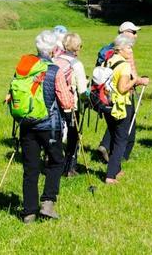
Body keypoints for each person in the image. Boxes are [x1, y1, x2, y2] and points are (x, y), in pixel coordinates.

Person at [20, 30, 74, 224]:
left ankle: (29, 211)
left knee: (30, 168)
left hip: (27, 124)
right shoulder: (55, 70)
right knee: (57, 161)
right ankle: (48, 202)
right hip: (49, 126)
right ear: (53, 50)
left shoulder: (24, 67)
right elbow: (66, 102)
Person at [103, 34, 149, 184]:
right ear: (120, 48)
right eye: (128, 47)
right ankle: (110, 175)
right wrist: (135, 80)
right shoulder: (124, 65)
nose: (131, 50)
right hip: (121, 105)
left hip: (107, 103)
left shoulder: (107, 61)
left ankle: (116, 169)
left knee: (113, 134)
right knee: (121, 139)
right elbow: (123, 88)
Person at [97, 21, 145, 162]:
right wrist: (139, 81)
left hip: (107, 91)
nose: (136, 36)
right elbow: (130, 72)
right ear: (126, 33)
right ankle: (120, 157)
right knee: (124, 121)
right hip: (124, 91)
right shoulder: (126, 51)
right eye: (134, 32)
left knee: (115, 118)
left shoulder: (112, 49)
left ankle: (106, 146)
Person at [53, 32, 88, 177]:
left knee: (56, 133)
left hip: (53, 103)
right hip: (70, 105)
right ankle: (69, 168)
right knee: (73, 136)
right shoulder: (76, 64)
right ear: (77, 47)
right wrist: (86, 101)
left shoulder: (54, 60)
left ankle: (53, 162)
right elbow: (82, 90)